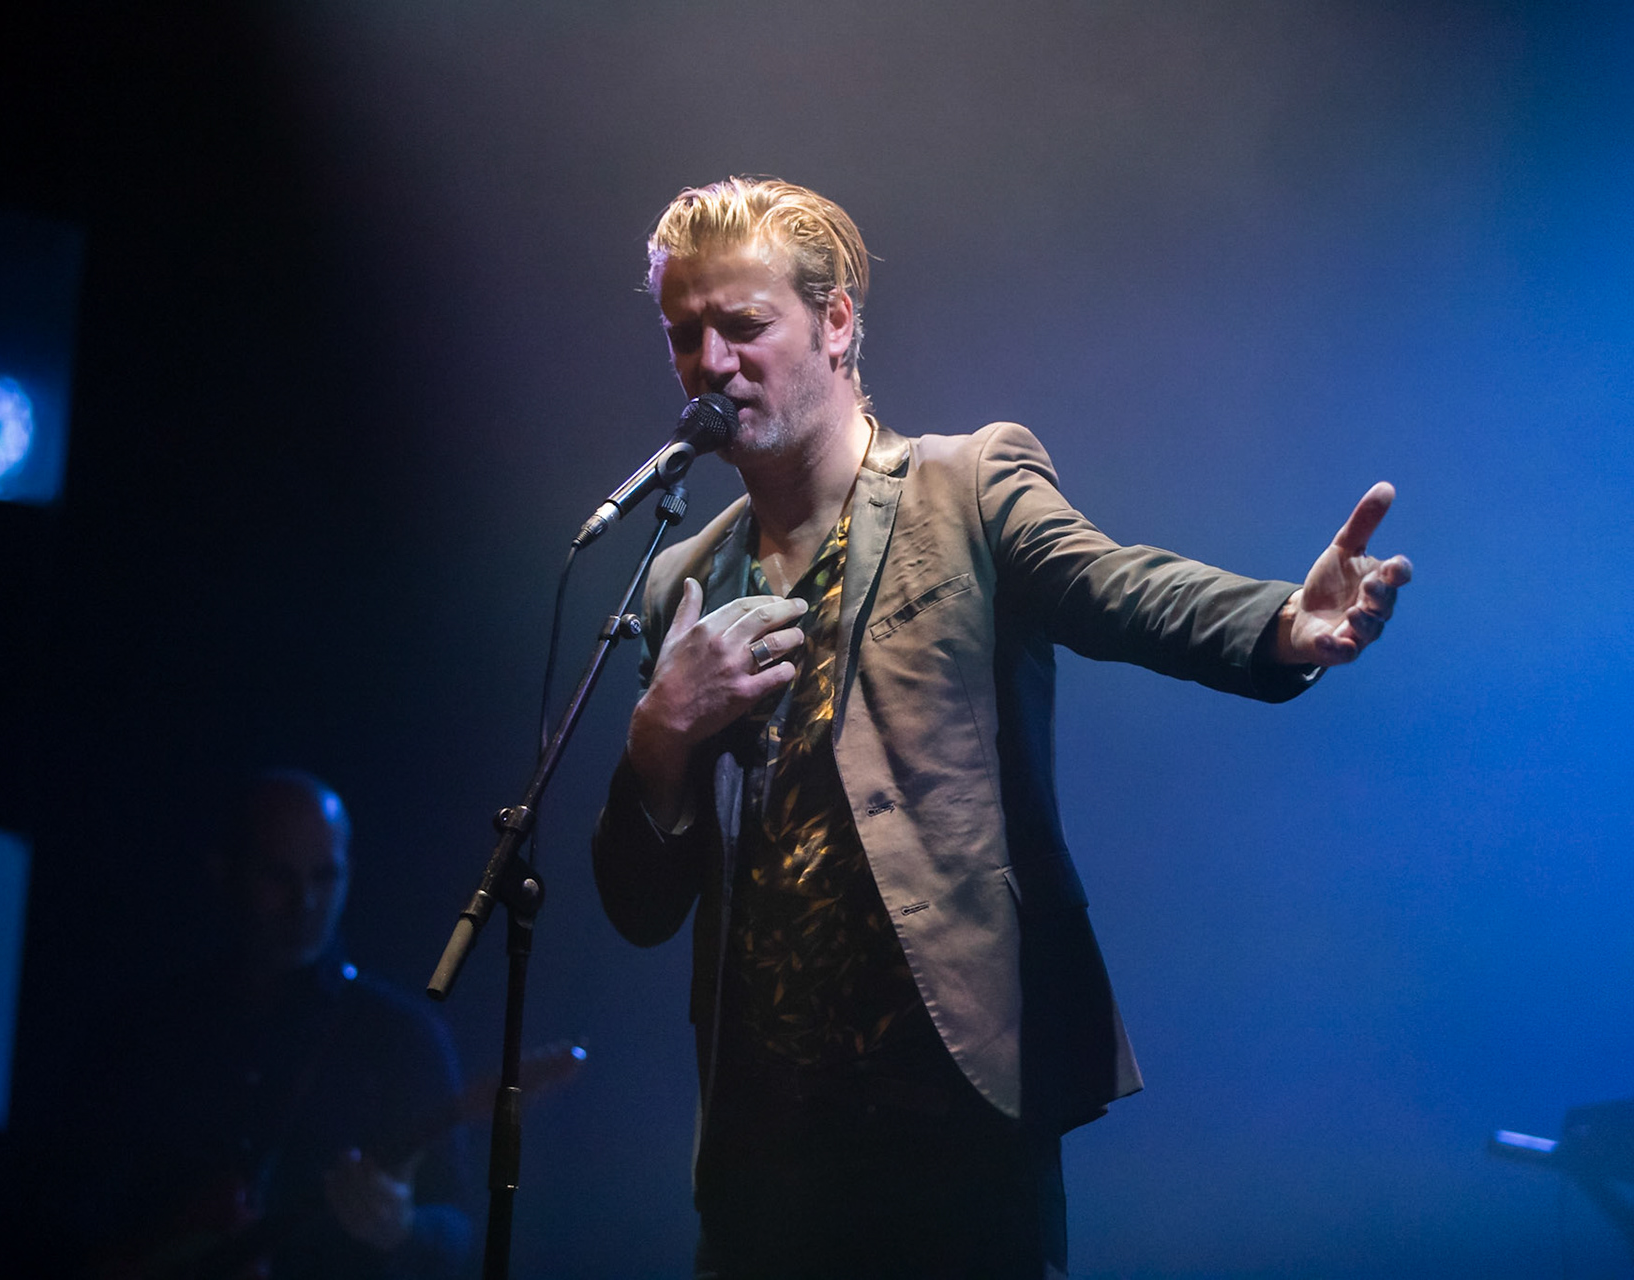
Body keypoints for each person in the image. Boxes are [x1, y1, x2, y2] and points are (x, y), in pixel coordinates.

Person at [590, 177, 1412, 1280]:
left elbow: (1119, 588)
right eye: (685, 335)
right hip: (766, 1150)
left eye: (743, 325)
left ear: (836, 324)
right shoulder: (682, 581)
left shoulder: (963, 486)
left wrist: (1277, 621)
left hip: (953, 1100)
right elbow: (641, 908)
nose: (712, 362)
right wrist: (659, 732)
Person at [81, 770, 473, 1280]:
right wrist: (176, 1228)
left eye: (324, 876)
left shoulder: (401, 1035)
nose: (305, 902)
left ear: (349, 873)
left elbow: (458, 1229)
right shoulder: (150, 1028)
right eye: (278, 875)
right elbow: (66, 1203)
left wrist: (401, 1228)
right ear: (225, 870)